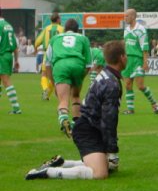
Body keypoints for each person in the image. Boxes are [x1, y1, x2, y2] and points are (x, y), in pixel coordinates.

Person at [25, 40, 127, 180]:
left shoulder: (106, 75)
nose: (127, 58)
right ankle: (47, 172)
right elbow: (109, 120)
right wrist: (112, 150)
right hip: (87, 129)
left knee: (107, 167)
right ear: (121, 57)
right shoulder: (112, 83)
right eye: (126, 55)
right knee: (100, 173)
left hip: (89, 126)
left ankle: (62, 163)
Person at [46, 18, 92, 137]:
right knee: (75, 96)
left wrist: (53, 81)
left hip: (60, 65)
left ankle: (64, 120)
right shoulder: (83, 38)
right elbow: (89, 64)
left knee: (63, 100)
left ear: (64, 29)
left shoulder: (54, 38)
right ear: (78, 30)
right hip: (77, 64)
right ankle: (77, 124)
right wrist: (81, 77)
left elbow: (47, 64)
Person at [122, 8, 158, 115]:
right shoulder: (126, 30)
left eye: (127, 16)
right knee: (128, 85)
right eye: (125, 16)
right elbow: (125, 45)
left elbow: (145, 48)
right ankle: (130, 109)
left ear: (133, 16)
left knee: (140, 86)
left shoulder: (141, 29)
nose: (125, 18)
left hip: (137, 60)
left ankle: (154, 103)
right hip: (128, 60)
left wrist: (145, 62)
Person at [34, 12, 64, 100]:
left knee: (44, 73)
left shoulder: (46, 29)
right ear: (58, 19)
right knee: (54, 76)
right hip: (59, 54)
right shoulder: (62, 29)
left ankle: (45, 89)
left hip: (47, 53)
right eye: (60, 18)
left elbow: (37, 42)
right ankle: (48, 93)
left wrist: (36, 48)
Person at [0, 8, 22, 114]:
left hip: (2, 55)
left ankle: (16, 108)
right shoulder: (8, 25)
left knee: (6, 81)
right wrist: (16, 60)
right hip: (9, 55)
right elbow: (15, 45)